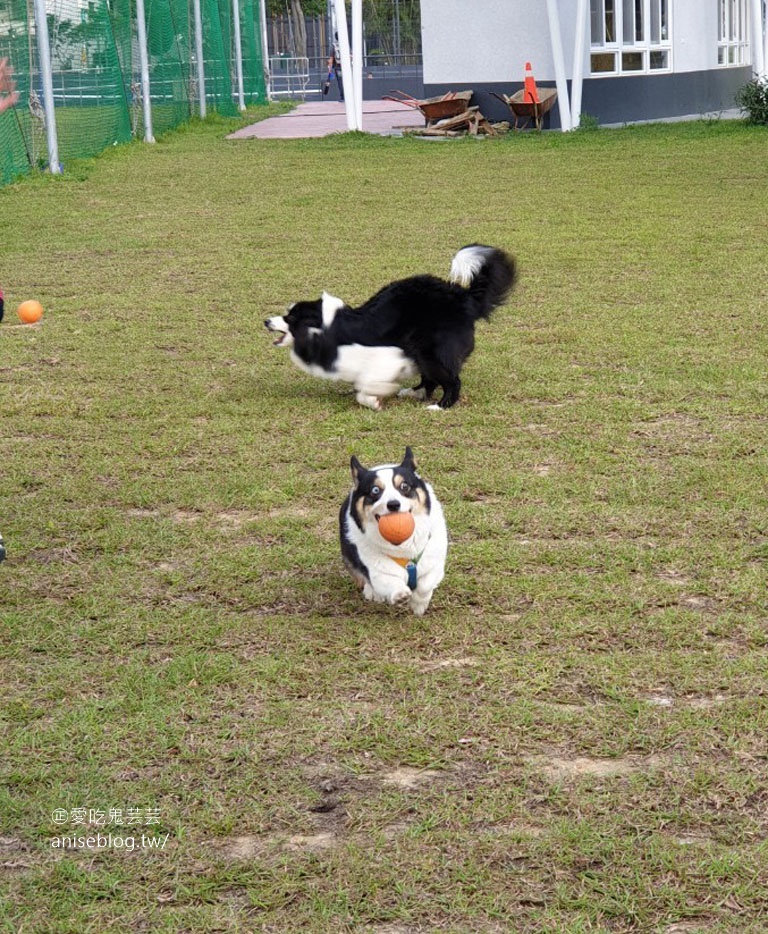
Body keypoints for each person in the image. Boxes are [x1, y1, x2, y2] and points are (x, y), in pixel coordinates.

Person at [326, 33, 344, 103]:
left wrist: (330, 68)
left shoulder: (333, 45)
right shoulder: (345, 45)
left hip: (337, 66)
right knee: (347, 82)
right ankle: (349, 96)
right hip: (346, 67)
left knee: (340, 82)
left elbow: (331, 58)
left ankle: (342, 97)